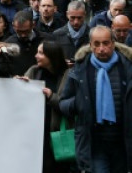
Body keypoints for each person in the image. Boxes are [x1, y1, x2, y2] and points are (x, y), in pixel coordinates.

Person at [59, 26, 132, 172]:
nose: (101, 48)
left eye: (106, 43)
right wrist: (78, 103)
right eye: (97, 44)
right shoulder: (79, 69)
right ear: (90, 45)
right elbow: (63, 103)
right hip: (94, 143)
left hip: (123, 143)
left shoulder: (126, 67)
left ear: (113, 42)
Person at [21, 41, 71, 173]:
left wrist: (51, 96)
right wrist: (21, 85)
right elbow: (21, 100)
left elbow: (69, 105)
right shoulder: (34, 71)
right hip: (36, 133)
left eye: (41, 53)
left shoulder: (68, 74)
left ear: (52, 56)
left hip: (57, 133)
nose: (36, 56)